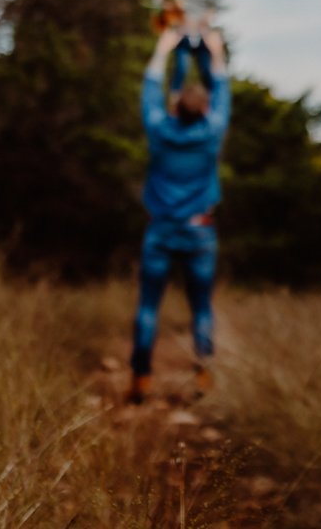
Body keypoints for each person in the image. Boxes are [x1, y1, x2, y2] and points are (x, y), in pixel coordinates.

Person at [129, 26, 232, 404]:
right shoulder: (213, 130)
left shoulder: (158, 128)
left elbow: (149, 88)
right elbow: (221, 88)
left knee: (147, 307)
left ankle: (141, 378)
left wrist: (163, 47)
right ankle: (202, 374)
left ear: (175, 108)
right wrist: (216, 51)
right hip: (200, 232)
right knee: (201, 308)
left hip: (160, 230)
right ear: (203, 110)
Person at [149, 0, 224, 86]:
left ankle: (210, 97)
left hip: (202, 35)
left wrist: (209, 16)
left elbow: (213, 8)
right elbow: (159, 1)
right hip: (182, 35)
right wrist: (166, 4)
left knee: (206, 69)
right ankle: (175, 97)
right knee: (181, 68)